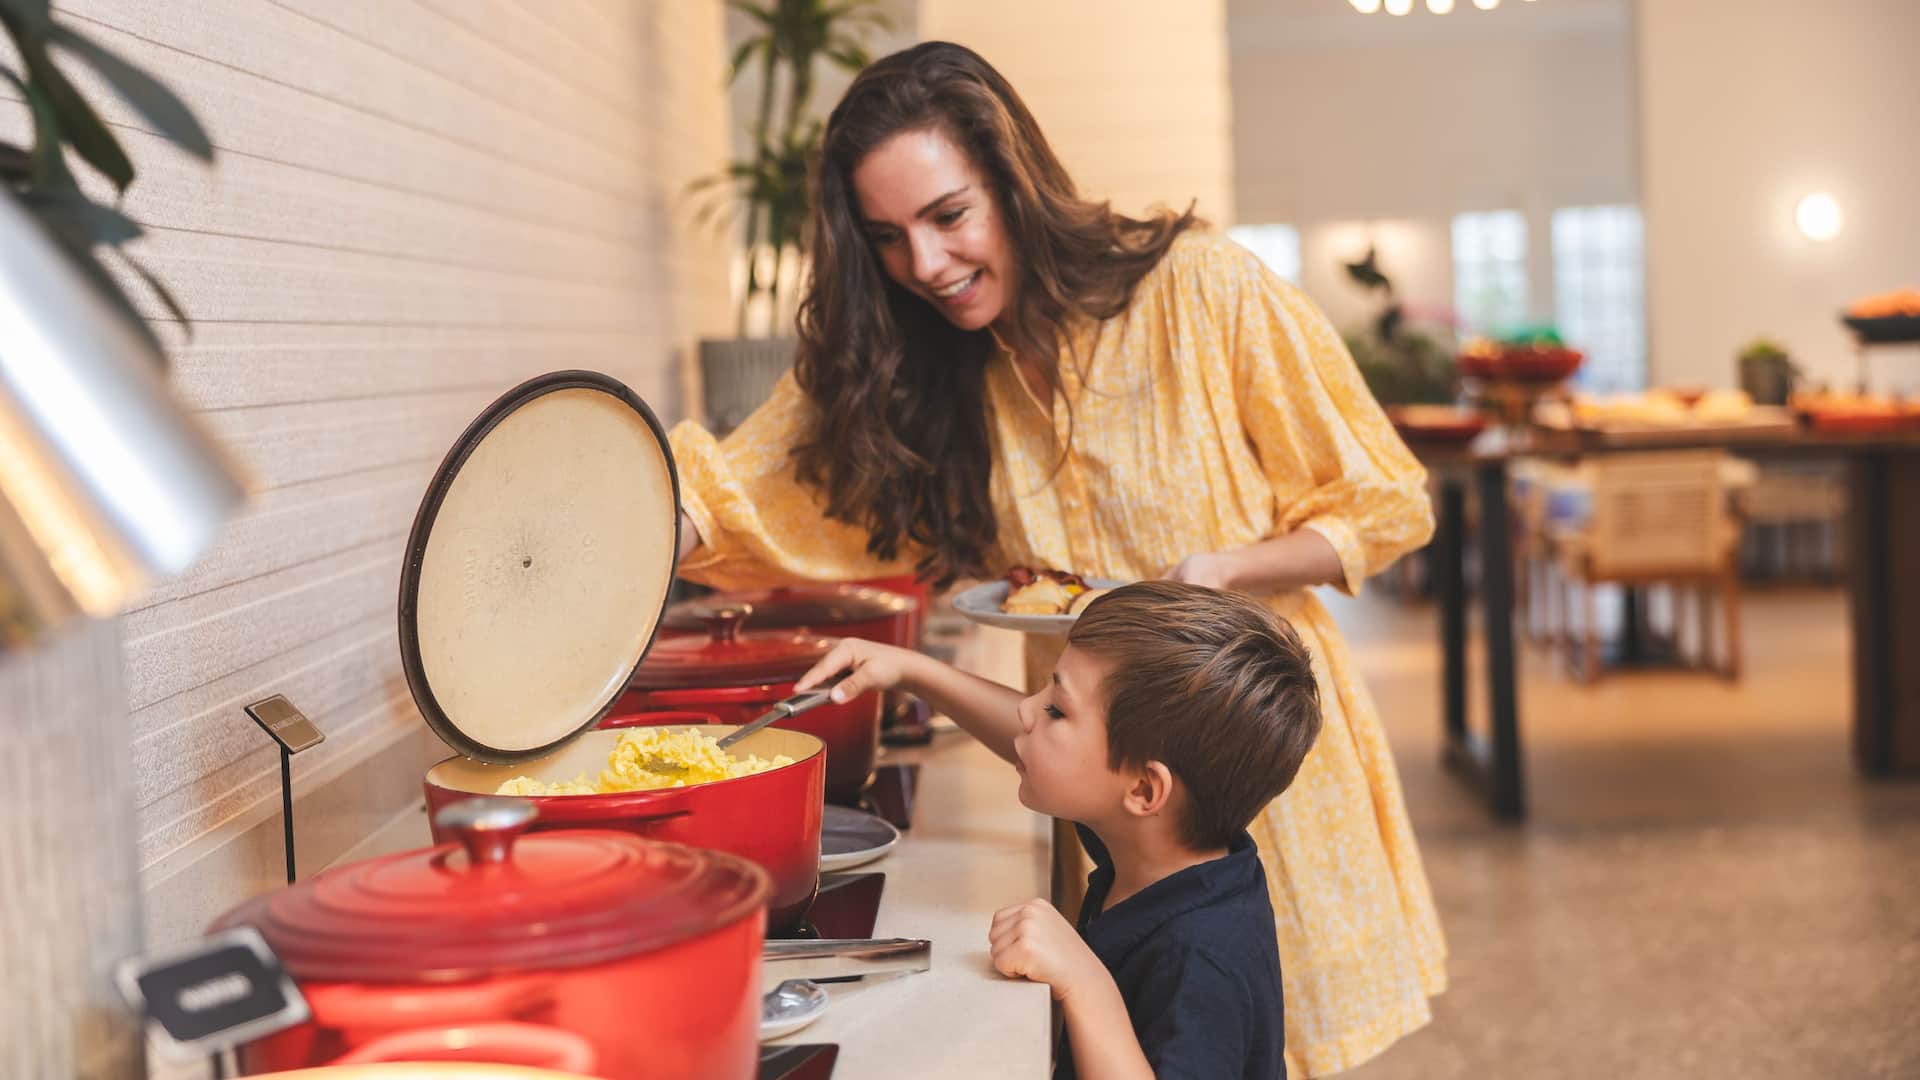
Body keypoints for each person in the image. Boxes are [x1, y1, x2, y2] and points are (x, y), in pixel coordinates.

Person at [668, 40, 1444, 1075]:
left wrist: (1227, 570)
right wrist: (624, 539)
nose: (925, 265)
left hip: (1257, 769)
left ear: (1013, 182)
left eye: (949, 215)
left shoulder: (1200, 289)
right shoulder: (932, 358)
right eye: (888, 238)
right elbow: (748, 479)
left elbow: (1388, 500)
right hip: (1103, 794)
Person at [795, 581, 1319, 1079]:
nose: (1025, 709)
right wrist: (911, 670)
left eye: (1055, 709)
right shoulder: (1158, 843)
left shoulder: (1204, 957)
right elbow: (1049, 750)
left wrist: (1085, 982)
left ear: (1143, 790)